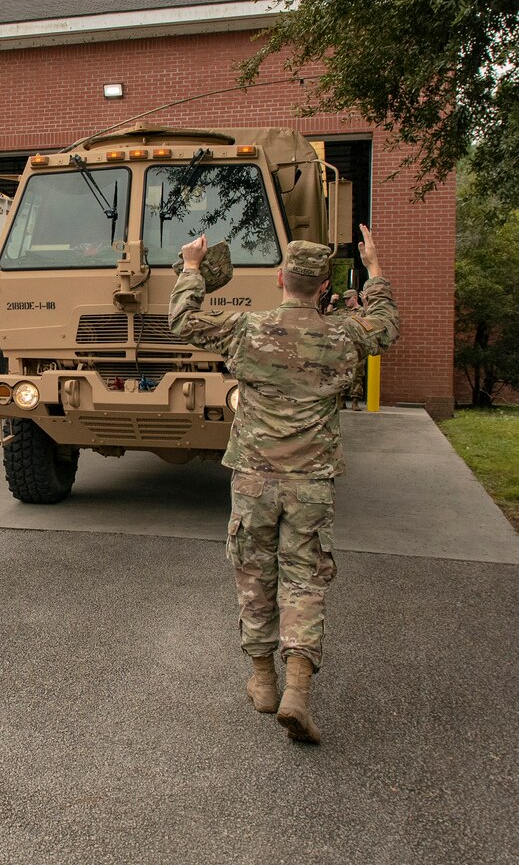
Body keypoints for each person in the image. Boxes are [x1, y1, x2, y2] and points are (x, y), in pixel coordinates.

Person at [169, 225, 399, 744]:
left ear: (280, 279)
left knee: (254, 575)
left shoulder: (248, 329)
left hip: (254, 478)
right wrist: (376, 269)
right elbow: (384, 325)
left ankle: (263, 680)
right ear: (323, 286)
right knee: (304, 580)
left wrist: (189, 268)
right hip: (311, 484)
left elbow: (182, 321)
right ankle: (298, 689)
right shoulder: (344, 334)